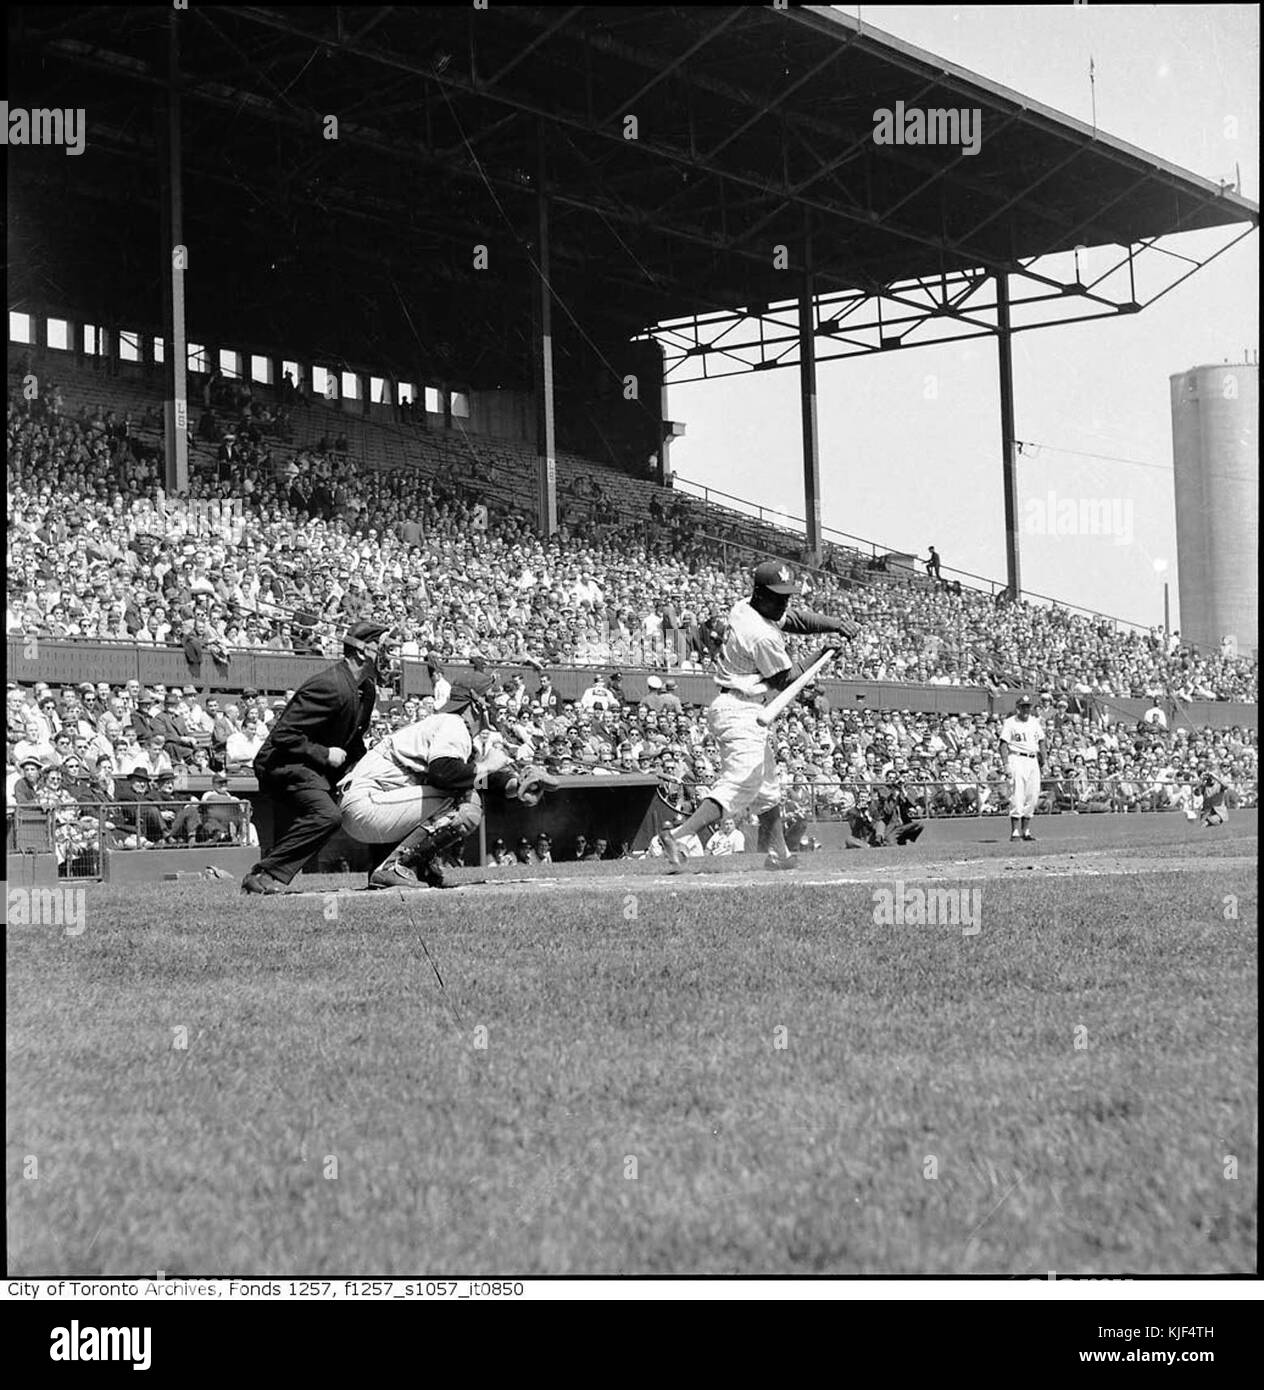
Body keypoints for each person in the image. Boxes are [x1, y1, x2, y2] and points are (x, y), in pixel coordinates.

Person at [660, 560, 856, 871]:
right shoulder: (760, 634)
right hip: (741, 709)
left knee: (767, 788)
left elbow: (793, 619)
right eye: (778, 596)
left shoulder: (746, 607)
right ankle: (678, 835)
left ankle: (778, 853)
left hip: (741, 705)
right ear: (760, 593)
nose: (784, 601)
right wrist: (823, 652)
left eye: (787, 595)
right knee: (741, 782)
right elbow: (787, 681)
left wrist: (833, 624)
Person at [338, 673, 555, 890]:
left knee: (462, 791)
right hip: (367, 802)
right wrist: (488, 764)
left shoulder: (451, 727)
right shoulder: (454, 724)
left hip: (373, 805)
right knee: (465, 804)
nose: (495, 704)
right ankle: (396, 867)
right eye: (489, 697)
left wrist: (516, 786)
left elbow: (475, 780)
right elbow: (443, 773)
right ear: (475, 703)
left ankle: (407, 867)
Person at [242, 620, 390, 895]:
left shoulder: (366, 690)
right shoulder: (328, 685)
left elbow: (352, 739)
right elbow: (283, 735)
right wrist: (325, 753)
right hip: (285, 763)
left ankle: (386, 871)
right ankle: (262, 874)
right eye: (380, 647)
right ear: (360, 652)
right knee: (327, 815)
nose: (386, 654)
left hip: (316, 766)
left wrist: (373, 765)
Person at [999, 694, 1045, 843]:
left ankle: (1026, 830)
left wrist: (1043, 758)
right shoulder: (1010, 722)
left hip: (1032, 758)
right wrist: (1006, 764)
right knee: (1017, 794)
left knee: (1032, 795)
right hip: (1016, 757)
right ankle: (1015, 832)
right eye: (1023, 707)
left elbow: (1042, 740)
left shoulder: (1034, 722)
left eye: (1028, 707)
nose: (1026, 709)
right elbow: (1003, 744)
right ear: (1018, 708)